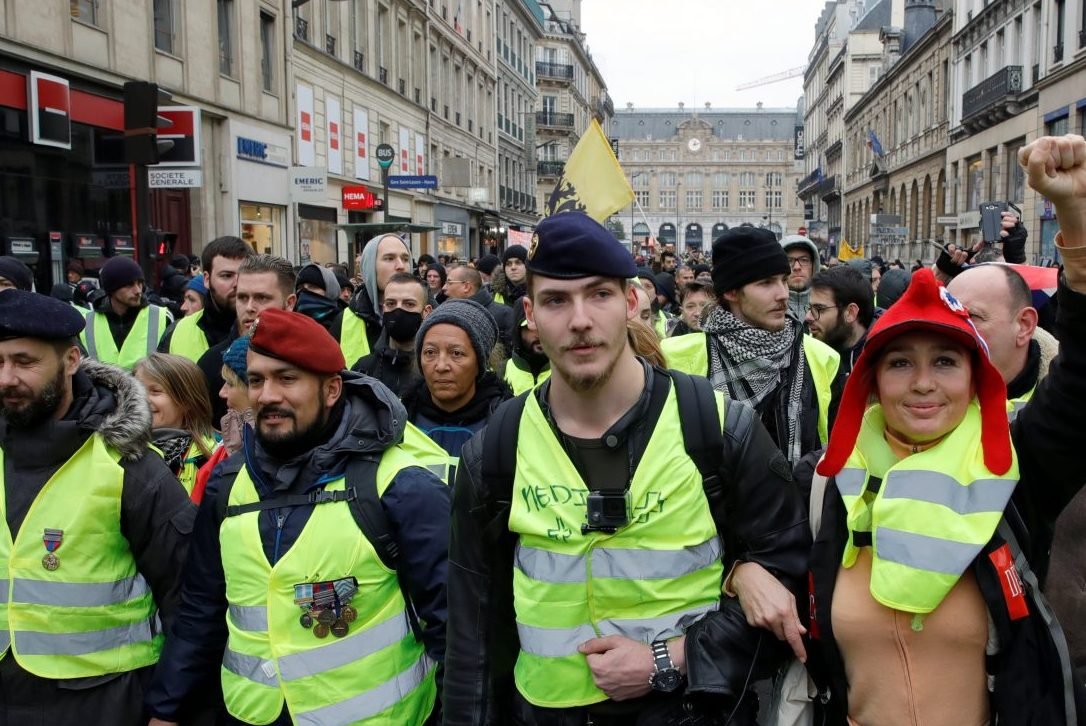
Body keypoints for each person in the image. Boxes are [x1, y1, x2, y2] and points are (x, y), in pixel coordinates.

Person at [444, 212, 810, 725]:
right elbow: (472, 632)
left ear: (632, 302)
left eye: (599, 294)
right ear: (529, 313)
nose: (579, 320)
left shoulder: (720, 430)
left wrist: (668, 659)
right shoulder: (496, 450)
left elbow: (791, 594)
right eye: (556, 300)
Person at [801, 134, 1086, 725]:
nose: (924, 382)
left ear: (975, 377)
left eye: (947, 361)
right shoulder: (824, 483)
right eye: (901, 362)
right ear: (871, 382)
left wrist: (1078, 229)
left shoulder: (1012, 465)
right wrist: (745, 573)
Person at [145, 308, 450, 726]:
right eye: (256, 380)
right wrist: (167, 709)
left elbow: (452, 627)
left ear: (331, 390)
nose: (268, 395)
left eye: (287, 379)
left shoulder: (399, 486)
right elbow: (201, 610)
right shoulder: (228, 485)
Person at [0, 291, 194, 725]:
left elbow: (188, 597)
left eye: (24, 362)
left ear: (71, 361)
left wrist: (169, 708)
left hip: (104, 701)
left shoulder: (129, 466)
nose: (7, 378)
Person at [663, 227, 840, 465]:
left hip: (797, 498)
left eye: (783, 280)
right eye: (766, 283)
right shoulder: (674, 357)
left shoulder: (823, 358)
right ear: (731, 292)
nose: (782, 294)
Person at [404, 298, 511, 481]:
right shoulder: (400, 419)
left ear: (480, 363)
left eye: (456, 354)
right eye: (430, 352)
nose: (441, 366)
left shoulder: (506, 424)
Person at [196, 254, 297, 428]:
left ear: (289, 303)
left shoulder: (310, 362)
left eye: (262, 298)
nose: (249, 307)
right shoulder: (210, 364)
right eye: (242, 298)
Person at [160, 236, 255, 362]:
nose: (237, 283)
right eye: (227, 276)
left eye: (244, 274)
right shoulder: (178, 331)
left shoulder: (271, 328)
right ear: (206, 279)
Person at [134, 353, 216, 498]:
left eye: (156, 391)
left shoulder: (211, 457)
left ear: (186, 401)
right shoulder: (118, 451)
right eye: (137, 390)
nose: (143, 399)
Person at [80, 256, 170, 371]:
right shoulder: (86, 324)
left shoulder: (163, 317)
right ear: (111, 289)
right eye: (129, 285)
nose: (138, 290)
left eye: (140, 283)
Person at [352, 272, 433, 398]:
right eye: (391, 304)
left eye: (409, 304)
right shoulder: (364, 368)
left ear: (426, 312)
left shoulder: (433, 370)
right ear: (384, 309)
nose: (398, 310)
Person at [334, 234, 410, 366]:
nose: (400, 265)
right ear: (369, 267)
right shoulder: (345, 320)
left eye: (405, 258)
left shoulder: (430, 315)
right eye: (389, 258)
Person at [805, 265, 875, 379]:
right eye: (809, 308)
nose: (808, 317)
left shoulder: (882, 364)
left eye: (819, 309)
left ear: (850, 313)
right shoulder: (807, 355)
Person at [443, 265, 514, 352]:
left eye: (449, 283)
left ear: (466, 287)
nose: (444, 288)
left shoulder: (505, 314)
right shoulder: (446, 312)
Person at [502, 303, 551, 395]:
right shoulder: (503, 371)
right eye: (530, 326)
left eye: (543, 325)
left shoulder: (566, 371)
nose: (538, 333)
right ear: (518, 332)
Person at [780, 234, 821, 322]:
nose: (797, 267)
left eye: (804, 260)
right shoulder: (769, 309)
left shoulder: (827, 306)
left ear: (814, 265)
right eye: (789, 261)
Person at [293, 262, 343, 331]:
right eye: (300, 287)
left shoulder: (343, 324)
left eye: (312, 287)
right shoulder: (290, 325)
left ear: (330, 291)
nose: (304, 292)